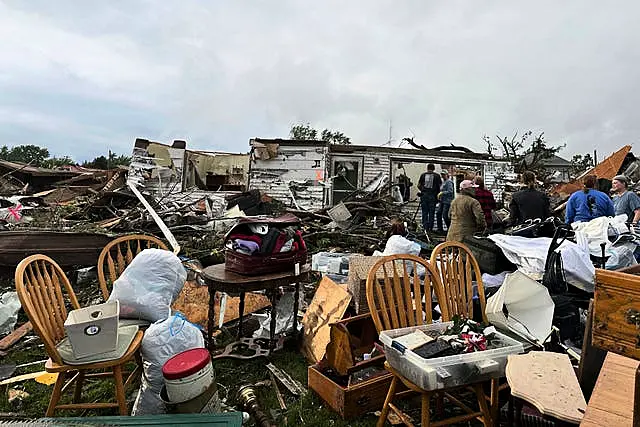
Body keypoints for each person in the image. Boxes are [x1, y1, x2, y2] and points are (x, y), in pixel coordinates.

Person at [418, 163, 442, 233]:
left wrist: (422, 190)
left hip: (424, 196)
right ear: (434, 168)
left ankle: (425, 228)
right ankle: (430, 229)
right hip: (433, 196)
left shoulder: (423, 175)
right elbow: (440, 186)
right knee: (431, 213)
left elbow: (418, 185)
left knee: (424, 212)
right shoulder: (437, 176)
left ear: (427, 168)